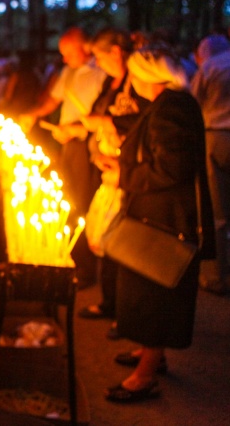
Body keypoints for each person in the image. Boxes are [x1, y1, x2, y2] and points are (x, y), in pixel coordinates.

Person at [104, 47, 214, 403]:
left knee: (154, 293)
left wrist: (125, 175)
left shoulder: (174, 107)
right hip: (156, 212)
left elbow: (172, 166)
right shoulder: (168, 103)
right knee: (143, 287)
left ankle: (145, 376)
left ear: (146, 75)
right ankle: (152, 353)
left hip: (164, 217)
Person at [19, 27, 107, 288]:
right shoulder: (68, 72)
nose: (64, 60)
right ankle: (69, 258)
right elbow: (53, 101)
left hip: (86, 143)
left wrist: (78, 129)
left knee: (81, 202)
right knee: (67, 197)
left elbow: (102, 113)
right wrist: (33, 114)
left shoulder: (101, 73)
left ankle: (86, 268)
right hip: (67, 143)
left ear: (84, 49)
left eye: (68, 54)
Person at [77, 28, 148, 334]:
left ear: (116, 52)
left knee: (123, 241)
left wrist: (108, 122)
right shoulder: (110, 82)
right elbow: (98, 114)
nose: (97, 63)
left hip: (130, 171)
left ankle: (126, 313)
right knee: (103, 235)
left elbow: (143, 122)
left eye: (100, 57)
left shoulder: (140, 83)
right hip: (108, 168)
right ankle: (109, 302)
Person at [190, 34, 230, 295]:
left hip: (215, 136)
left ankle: (220, 276)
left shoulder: (209, 67)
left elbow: (192, 102)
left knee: (219, 212)